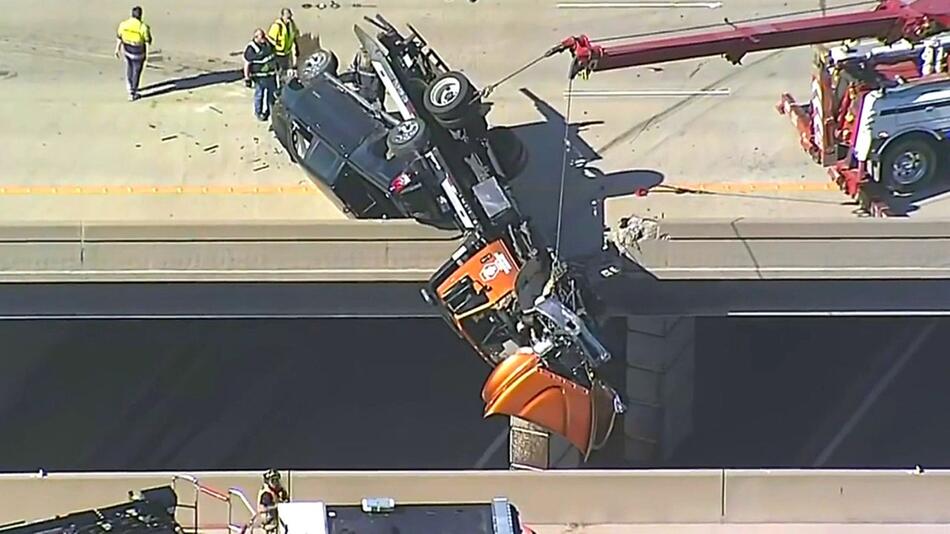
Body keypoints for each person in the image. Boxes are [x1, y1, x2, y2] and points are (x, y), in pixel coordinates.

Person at [114, 6, 153, 101]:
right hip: (138, 53)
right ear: (140, 16)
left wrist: (117, 49)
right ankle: (133, 92)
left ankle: (129, 86)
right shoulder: (143, 27)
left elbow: (119, 37)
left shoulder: (124, 24)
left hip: (127, 50)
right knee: (136, 71)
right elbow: (148, 40)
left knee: (129, 67)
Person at [244, 28, 279, 121]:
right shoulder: (251, 48)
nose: (264, 37)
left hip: (271, 75)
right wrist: (247, 78)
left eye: (264, 35)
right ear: (256, 37)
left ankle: (271, 112)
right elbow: (247, 64)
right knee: (259, 95)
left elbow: (274, 54)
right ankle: (258, 112)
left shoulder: (267, 44)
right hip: (259, 77)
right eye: (261, 36)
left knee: (272, 95)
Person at [267, 8, 300, 88]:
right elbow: (270, 39)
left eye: (290, 15)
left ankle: (283, 87)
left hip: (287, 53)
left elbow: (294, 36)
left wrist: (296, 48)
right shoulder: (276, 26)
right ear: (282, 16)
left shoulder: (292, 25)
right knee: (278, 72)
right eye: (287, 16)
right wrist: (274, 47)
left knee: (286, 71)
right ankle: (277, 88)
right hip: (277, 53)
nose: (289, 17)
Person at [257, 469, 290, 534]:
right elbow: (265, 507)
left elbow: (287, 501)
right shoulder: (266, 493)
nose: (275, 483)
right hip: (269, 523)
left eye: (277, 480)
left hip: (280, 523)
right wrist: (278, 506)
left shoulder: (281, 491)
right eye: (273, 480)